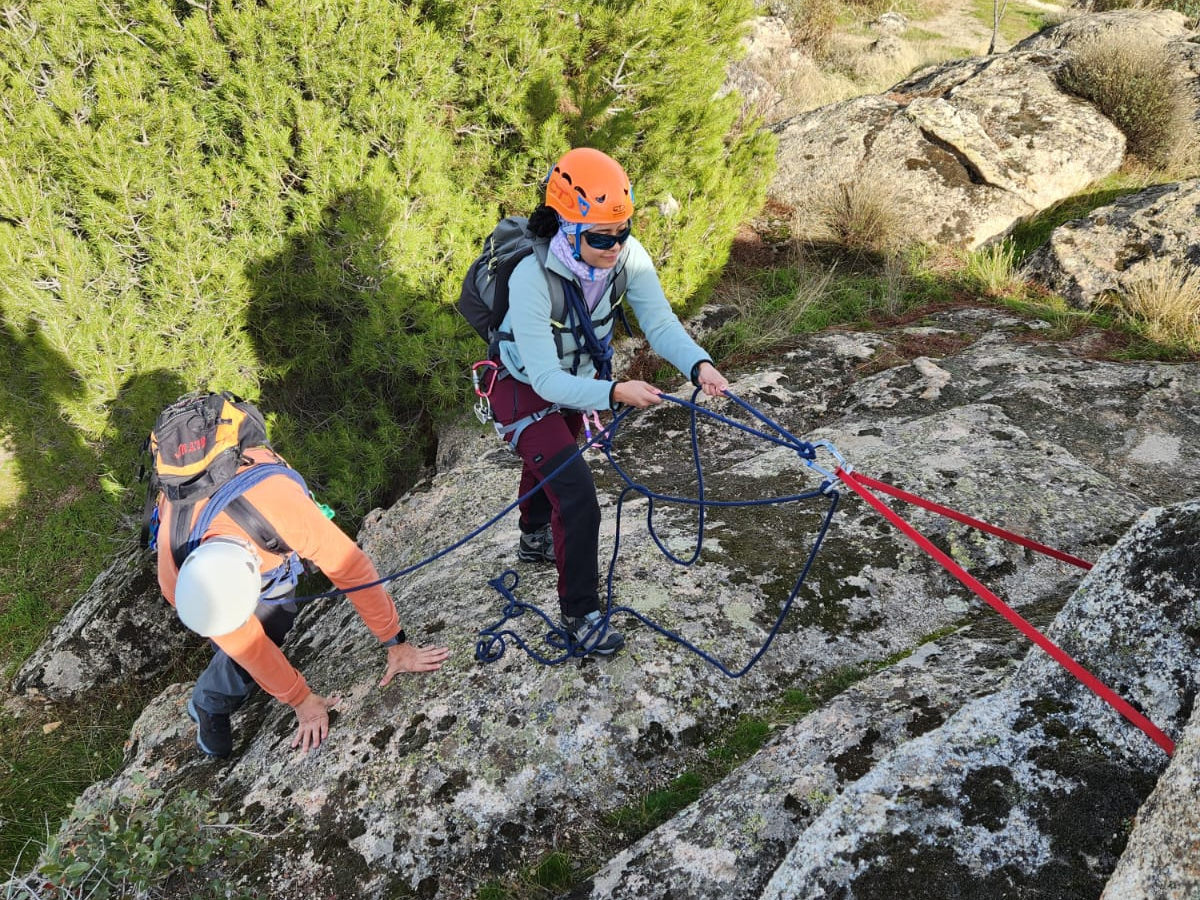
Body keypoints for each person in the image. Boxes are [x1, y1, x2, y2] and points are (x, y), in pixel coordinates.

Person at [489, 147, 729, 656]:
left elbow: (660, 324)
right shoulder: (532, 277)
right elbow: (548, 382)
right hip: (524, 386)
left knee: (556, 459)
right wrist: (614, 391)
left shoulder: (626, 256)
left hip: (577, 379)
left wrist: (699, 364)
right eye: (601, 237)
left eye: (622, 232)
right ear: (567, 227)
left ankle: (533, 536)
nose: (616, 245)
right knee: (576, 496)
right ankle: (581, 614)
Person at [156, 444, 450, 758]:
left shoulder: (290, 517)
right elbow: (245, 644)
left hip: (259, 503)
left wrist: (396, 643)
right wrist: (301, 700)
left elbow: (355, 572)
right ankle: (211, 700)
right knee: (248, 643)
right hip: (208, 511)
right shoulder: (177, 579)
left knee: (274, 621)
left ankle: (225, 685)